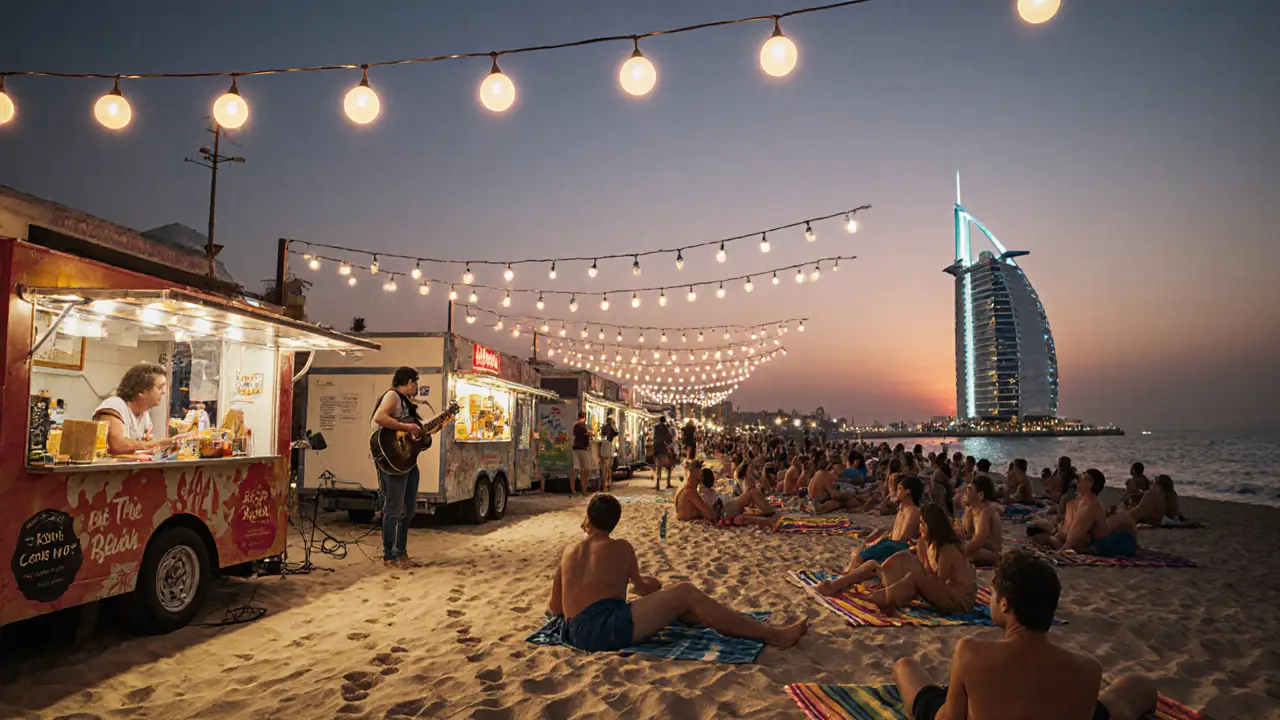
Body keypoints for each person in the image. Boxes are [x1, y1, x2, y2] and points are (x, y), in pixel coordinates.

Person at [893, 550, 1158, 720]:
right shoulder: (1089, 668)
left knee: (905, 667)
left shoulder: (971, 651)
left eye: (993, 593)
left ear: (1005, 604)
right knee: (1136, 685)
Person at [547, 494, 807, 651]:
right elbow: (643, 588)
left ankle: (728, 621)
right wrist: (654, 584)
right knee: (684, 592)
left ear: (589, 518)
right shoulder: (621, 547)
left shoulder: (569, 551)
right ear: (614, 523)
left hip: (574, 631)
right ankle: (775, 636)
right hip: (605, 630)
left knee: (678, 600)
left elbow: (555, 608)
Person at [370, 367, 449, 568]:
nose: (416, 387)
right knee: (394, 508)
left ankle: (401, 552)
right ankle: (389, 555)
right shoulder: (392, 396)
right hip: (394, 460)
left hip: (407, 461)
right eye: (415, 383)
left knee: (409, 509)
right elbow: (380, 417)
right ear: (407, 382)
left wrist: (439, 424)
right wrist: (406, 427)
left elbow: (417, 434)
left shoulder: (407, 403)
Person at [816, 476, 923, 596]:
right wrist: (879, 538)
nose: (897, 492)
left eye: (899, 489)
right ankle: (848, 575)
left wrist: (882, 542)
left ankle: (845, 578)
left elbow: (903, 538)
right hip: (891, 544)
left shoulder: (914, 511)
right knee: (859, 552)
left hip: (896, 547)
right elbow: (894, 532)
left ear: (908, 491)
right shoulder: (902, 510)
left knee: (863, 558)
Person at [1030, 469, 1139, 558]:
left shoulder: (1091, 505)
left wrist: (1061, 550)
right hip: (1100, 540)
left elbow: (1076, 533)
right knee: (1043, 537)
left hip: (1104, 545)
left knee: (1049, 538)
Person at [93, 362, 186, 456]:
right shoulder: (114, 406)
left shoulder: (145, 415)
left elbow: (147, 445)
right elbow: (117, 445)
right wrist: (160, 444)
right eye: (159, 388)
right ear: (141, 391)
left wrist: (170, 446)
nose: (163, 392)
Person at [960, 476, 1003, 566]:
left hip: (991, 551)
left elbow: (978, 542)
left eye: (969, 489)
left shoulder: (986, 512)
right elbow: (964, 532)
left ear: (980, 495)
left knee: (964, 556)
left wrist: (959, 550)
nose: (965, 492)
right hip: (976, 547)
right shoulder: (970, 509)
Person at [570, 411, 594, 496]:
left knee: (575, 468)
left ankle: (573, 489)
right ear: (584, 417)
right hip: (582, 449)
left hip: (575, 449)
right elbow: (589, 433)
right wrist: (590, 433)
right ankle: (583, 488)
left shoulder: (576, 426)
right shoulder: (582, 426)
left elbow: (574, 436)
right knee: (586, 469)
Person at [652, 417, 675, 491]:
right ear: (665, 421)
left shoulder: (655, 427)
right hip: (663, 450)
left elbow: (653, 437)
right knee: (668, 468)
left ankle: (657, 484)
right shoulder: (665, 428)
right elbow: (669, 438)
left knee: (658, 467)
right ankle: (668, 484)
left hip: (655, 449)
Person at [598, 413, 619, 491]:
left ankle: (605, 484)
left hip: (603, 447)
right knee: (607, 467)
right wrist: (614, 425)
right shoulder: (611, 428)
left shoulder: (603, 427)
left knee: (604, 466)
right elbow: (616, 433)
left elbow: (602, 435)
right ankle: (605, 484)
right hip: (608, 447)